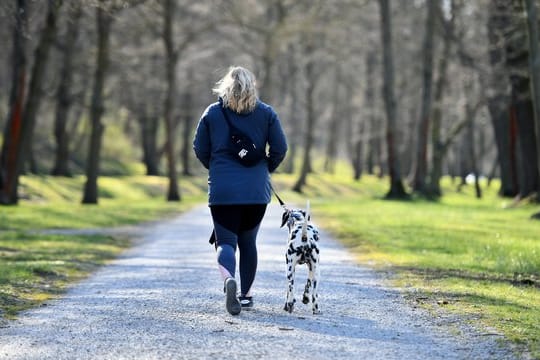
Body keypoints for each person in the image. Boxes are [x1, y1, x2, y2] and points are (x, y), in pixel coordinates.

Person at [193, 66, 288, 315]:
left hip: (223, 191)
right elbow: (280, 148)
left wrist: (215, 167)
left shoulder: (213, 113)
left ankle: (228, 281)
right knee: (248, 242)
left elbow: (199, 148)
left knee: (225, 242)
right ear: (252, 87)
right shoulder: (267, 113)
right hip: (256, 191)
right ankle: (245, 296)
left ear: (225, 86)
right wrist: (265, 168)